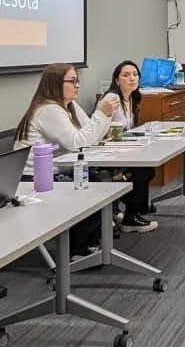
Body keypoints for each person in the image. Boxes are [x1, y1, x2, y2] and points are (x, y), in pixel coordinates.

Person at [13, 63, 120, 254]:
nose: (78, 85)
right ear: (55, 84)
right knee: (96, 186)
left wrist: (106, 115)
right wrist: (101, 113)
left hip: (59, 170)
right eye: (72, 81)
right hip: (36, 179)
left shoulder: (69, 106)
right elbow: (77, 142)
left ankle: (88, 241)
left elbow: (92, 136)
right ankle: (76, 248)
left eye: (78, 81)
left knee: (98, 181)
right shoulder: (48, 110)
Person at [101, 60, 158, 233]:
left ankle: (128, 209)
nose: (132, 78)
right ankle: (131, 216)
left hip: (124, 149)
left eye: (135, 74)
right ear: (117, 80)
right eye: (126, 75)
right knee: (144, 170)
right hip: (107, 151)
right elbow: (102, 131)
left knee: (146, 167)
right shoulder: (112, 99)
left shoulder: (132, 98)